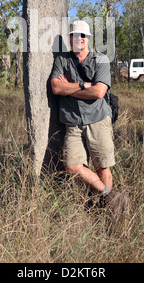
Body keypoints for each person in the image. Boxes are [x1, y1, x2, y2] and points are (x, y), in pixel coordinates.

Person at [50, 20, 125, 212]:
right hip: (72, 122)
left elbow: (99, 92)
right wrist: (84, 85)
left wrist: (70, 89)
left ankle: (105, 208)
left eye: (83, 36)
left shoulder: (100, 60)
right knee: (72, 166)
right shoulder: (62, 60)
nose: (79, 39)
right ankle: (111, 196)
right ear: (70, 38)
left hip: (98, 119)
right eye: (75, 35)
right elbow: (56, 87)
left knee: (103, 167)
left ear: (88, 39)